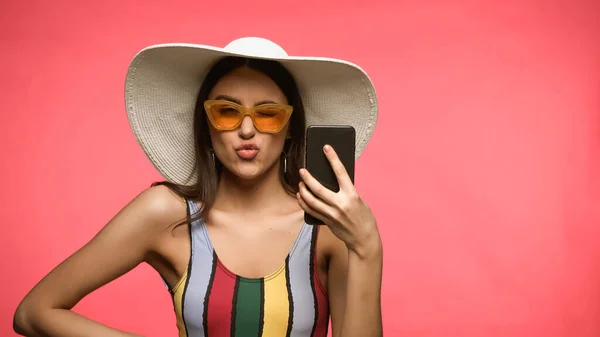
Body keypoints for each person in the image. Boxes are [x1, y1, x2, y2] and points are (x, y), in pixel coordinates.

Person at [13, 37, 383, 337]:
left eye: (268, 114)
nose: (247, 129)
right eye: (227, 111)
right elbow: (34, 313)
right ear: (206, 126)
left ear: (290, 130)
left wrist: (367, 247)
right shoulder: (164, 213)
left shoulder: (327, 226)